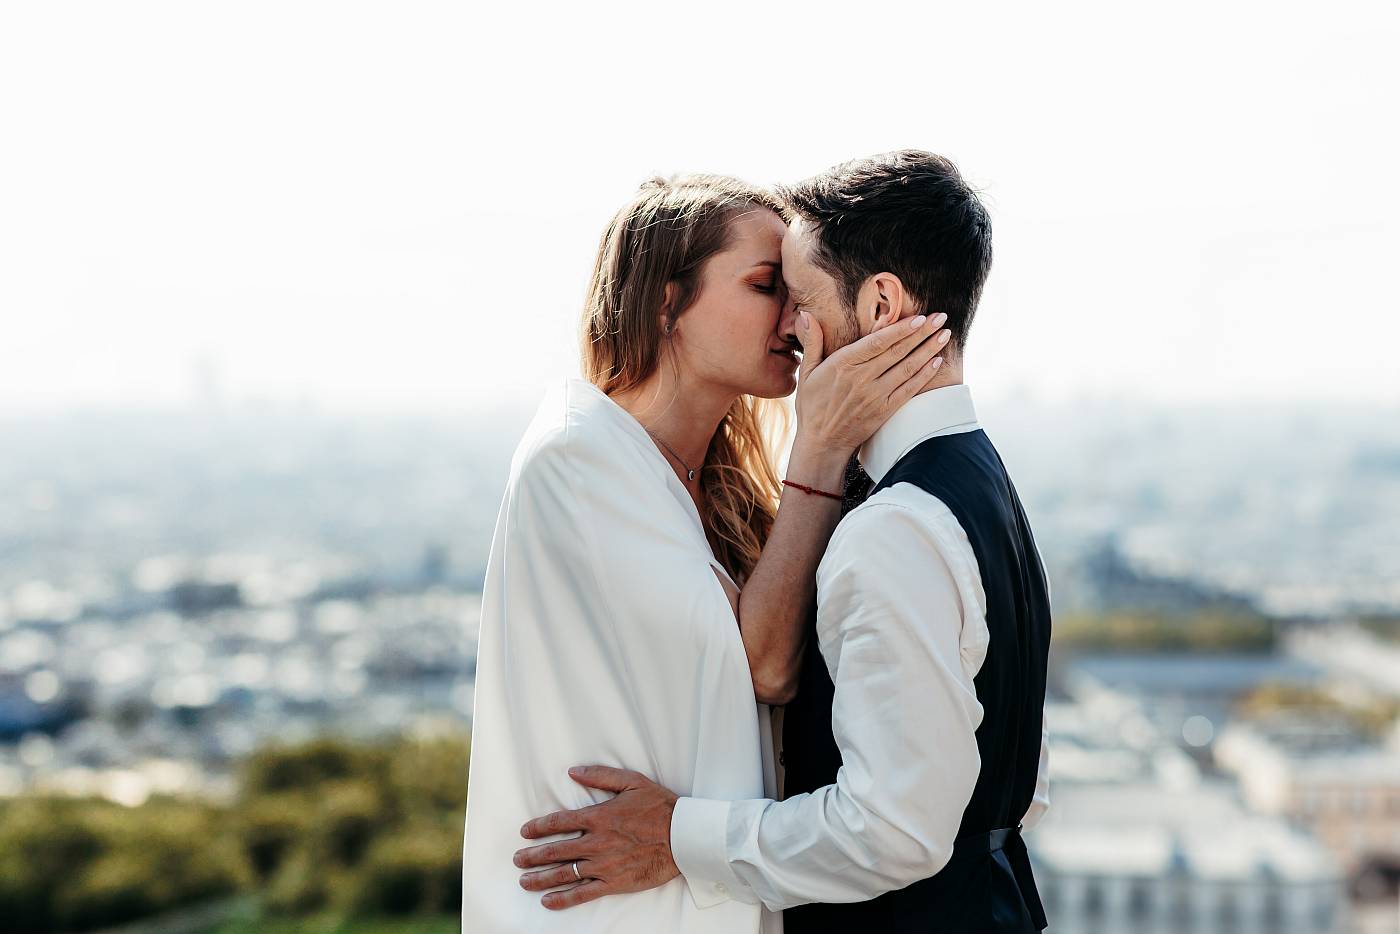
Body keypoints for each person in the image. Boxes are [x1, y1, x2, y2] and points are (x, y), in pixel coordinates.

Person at [514, 151, 1053, 933]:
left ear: (879, 307)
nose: (790, 327)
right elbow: (1022, 780)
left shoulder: (894, 526)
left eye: (797, 297)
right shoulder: (981, 481)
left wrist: (675, 836)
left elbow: (894, 829)